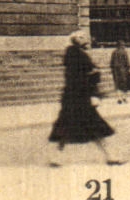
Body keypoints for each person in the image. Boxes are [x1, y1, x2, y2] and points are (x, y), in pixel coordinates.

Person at [48, 31, 121, 166]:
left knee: (67, 128)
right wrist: (93, 84)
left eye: (84, 37)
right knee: (96, 128)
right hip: (80, 98)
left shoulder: (73, 54)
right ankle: (111, 157)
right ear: (74, 40)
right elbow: (83, 77)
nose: (84, 39)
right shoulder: (77, 55)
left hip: (73, 98)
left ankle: (56, 158)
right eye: (80, 37)